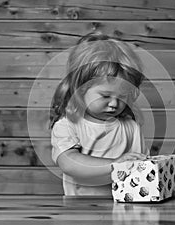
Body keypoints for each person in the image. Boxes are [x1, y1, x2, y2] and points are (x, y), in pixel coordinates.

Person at [50, 32, 149, 195]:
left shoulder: (131, 127)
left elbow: (142, 168)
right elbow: (68, 162)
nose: (114, 103)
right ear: (80, 90)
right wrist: (115, 164)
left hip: (125, 209)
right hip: (82, 212)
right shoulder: (68, 125)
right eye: (105, 96)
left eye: (122, 96)